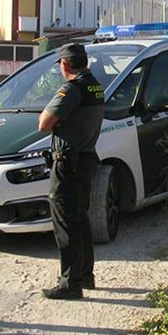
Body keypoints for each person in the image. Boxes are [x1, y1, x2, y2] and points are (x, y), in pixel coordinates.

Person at [38, 43, 105, 299]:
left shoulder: (72, 89)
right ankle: (85, 275)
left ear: (64, 65)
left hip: (68, 162)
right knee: (80, 220)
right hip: (86, 159)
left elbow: (44, 124)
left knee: (65, 223)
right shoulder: (95, 86)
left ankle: (69, 282)